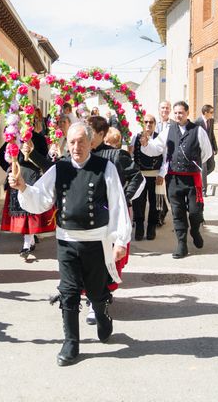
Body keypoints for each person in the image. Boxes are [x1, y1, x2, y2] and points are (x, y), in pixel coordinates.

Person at [9, 122, 131, 367]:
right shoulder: (59, 168)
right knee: (69, 292)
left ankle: (103, 314)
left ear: (90, 142)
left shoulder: (104, 167)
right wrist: (22, 186)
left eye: (81, 141)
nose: (76, 146)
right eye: (72, 142)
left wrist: (120, 240)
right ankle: (71, 342)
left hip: (96, 242)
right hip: (66, 241)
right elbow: (42, 198)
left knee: (96, 292)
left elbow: (117, 203)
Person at [85, 116, 144, 324]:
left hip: (108, 216)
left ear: (101, 134)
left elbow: (137, 176)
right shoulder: (78, 154)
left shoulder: (117, 155)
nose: (85, 135)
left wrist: (123, 199)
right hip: (85, 219)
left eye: (90, 132)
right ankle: (92, 297)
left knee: (103, 259)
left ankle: (97, 301)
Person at [140, 101, 212, 258]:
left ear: (187, 113)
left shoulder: (198, 130)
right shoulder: (167, 131)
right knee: (177, 213)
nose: (178, 115)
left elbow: (207, 153)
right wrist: (146, 145)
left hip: (193, 179)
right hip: (174, 179)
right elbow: (156, 149)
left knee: (195, 212)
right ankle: (182, 244)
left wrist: (194, 165)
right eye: (176, 113)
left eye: (181, 112)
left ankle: (194, 230)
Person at [0, 129, 55, 257]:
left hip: (32, 176)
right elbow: (0, 155)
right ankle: (30, 239)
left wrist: (32, 153)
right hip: (16, 176)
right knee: (21, 212)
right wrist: (9, 168)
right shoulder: (13, 136)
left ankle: (27, 244)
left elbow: (44, 159)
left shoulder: (38, 138)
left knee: (29, 212)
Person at [130, 114, 162, 241]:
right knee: (138, 202)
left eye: (151, 122)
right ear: (143, 123)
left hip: (155, 176)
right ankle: (139, 226)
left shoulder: (160, 138)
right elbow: (131, 155)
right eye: (146, 122)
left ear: (155, 124)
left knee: (155, 203)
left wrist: (162, 174)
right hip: (140, 175)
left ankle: (151, 227)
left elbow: (166, 158)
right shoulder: (136, 137)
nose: (149, 124)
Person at [155, 101, 172, 225]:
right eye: (162, 108)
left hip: (170, 160)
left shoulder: (174, 125)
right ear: (159, 110)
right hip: (157, 160)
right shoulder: (154, 125)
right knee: (159, 191)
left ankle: (164, 212)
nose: (165, 110)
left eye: (167, 108)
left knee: (169, 192)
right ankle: (160, 215)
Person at [194, 104, 218, 196]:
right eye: (211, 112)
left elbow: (212, 135)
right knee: (203, 168)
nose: (212, 114)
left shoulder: (211, 121)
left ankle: (198, 179)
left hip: (210, 148)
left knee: (211, 167)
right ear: (205, 113)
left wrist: (215, 147)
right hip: (201, 150)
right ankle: (203, 190)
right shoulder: (197, 122)